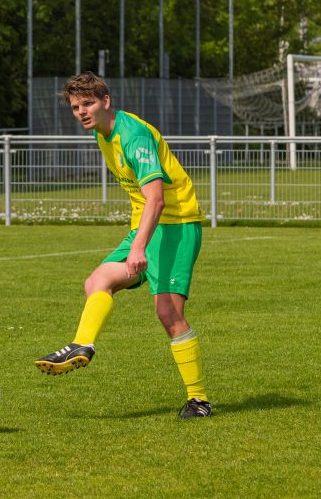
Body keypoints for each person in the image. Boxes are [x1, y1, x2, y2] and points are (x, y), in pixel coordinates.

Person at [34, 71, 213, 419]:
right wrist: (139, 241)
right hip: (147, 226)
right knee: (97, 281)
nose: (82, 112)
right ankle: (82, 344)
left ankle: (199, 401)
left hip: (176, 225)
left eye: (88, 104)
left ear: (106, 101)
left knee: (169, 314)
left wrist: (138, 248)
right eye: (75, 107)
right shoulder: (102, 132)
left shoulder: (133, 137)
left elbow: (157, 199)